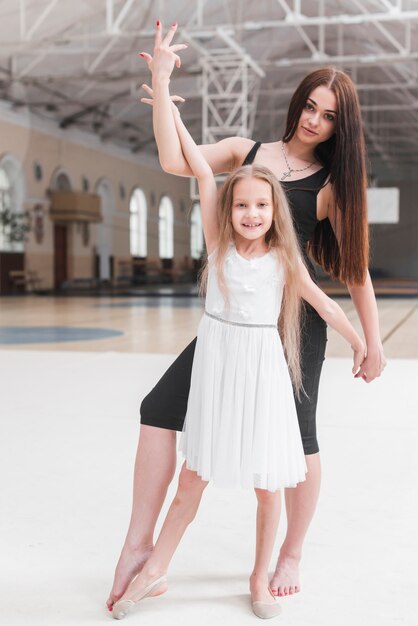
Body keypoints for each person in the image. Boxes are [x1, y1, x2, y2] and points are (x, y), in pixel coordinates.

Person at [106, 22, 387, 610]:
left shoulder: (333, 186)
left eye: (328, 115)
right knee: (158, 408)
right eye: (309, 106)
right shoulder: (246, 152)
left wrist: (372, 341)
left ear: (342, 127)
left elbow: (354, 271)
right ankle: (140, 544)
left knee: (297, 443)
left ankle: (290, 552)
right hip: (236, 320)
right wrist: (160, 86)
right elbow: (174, 157)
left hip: (293, 326)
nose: (313, 120)